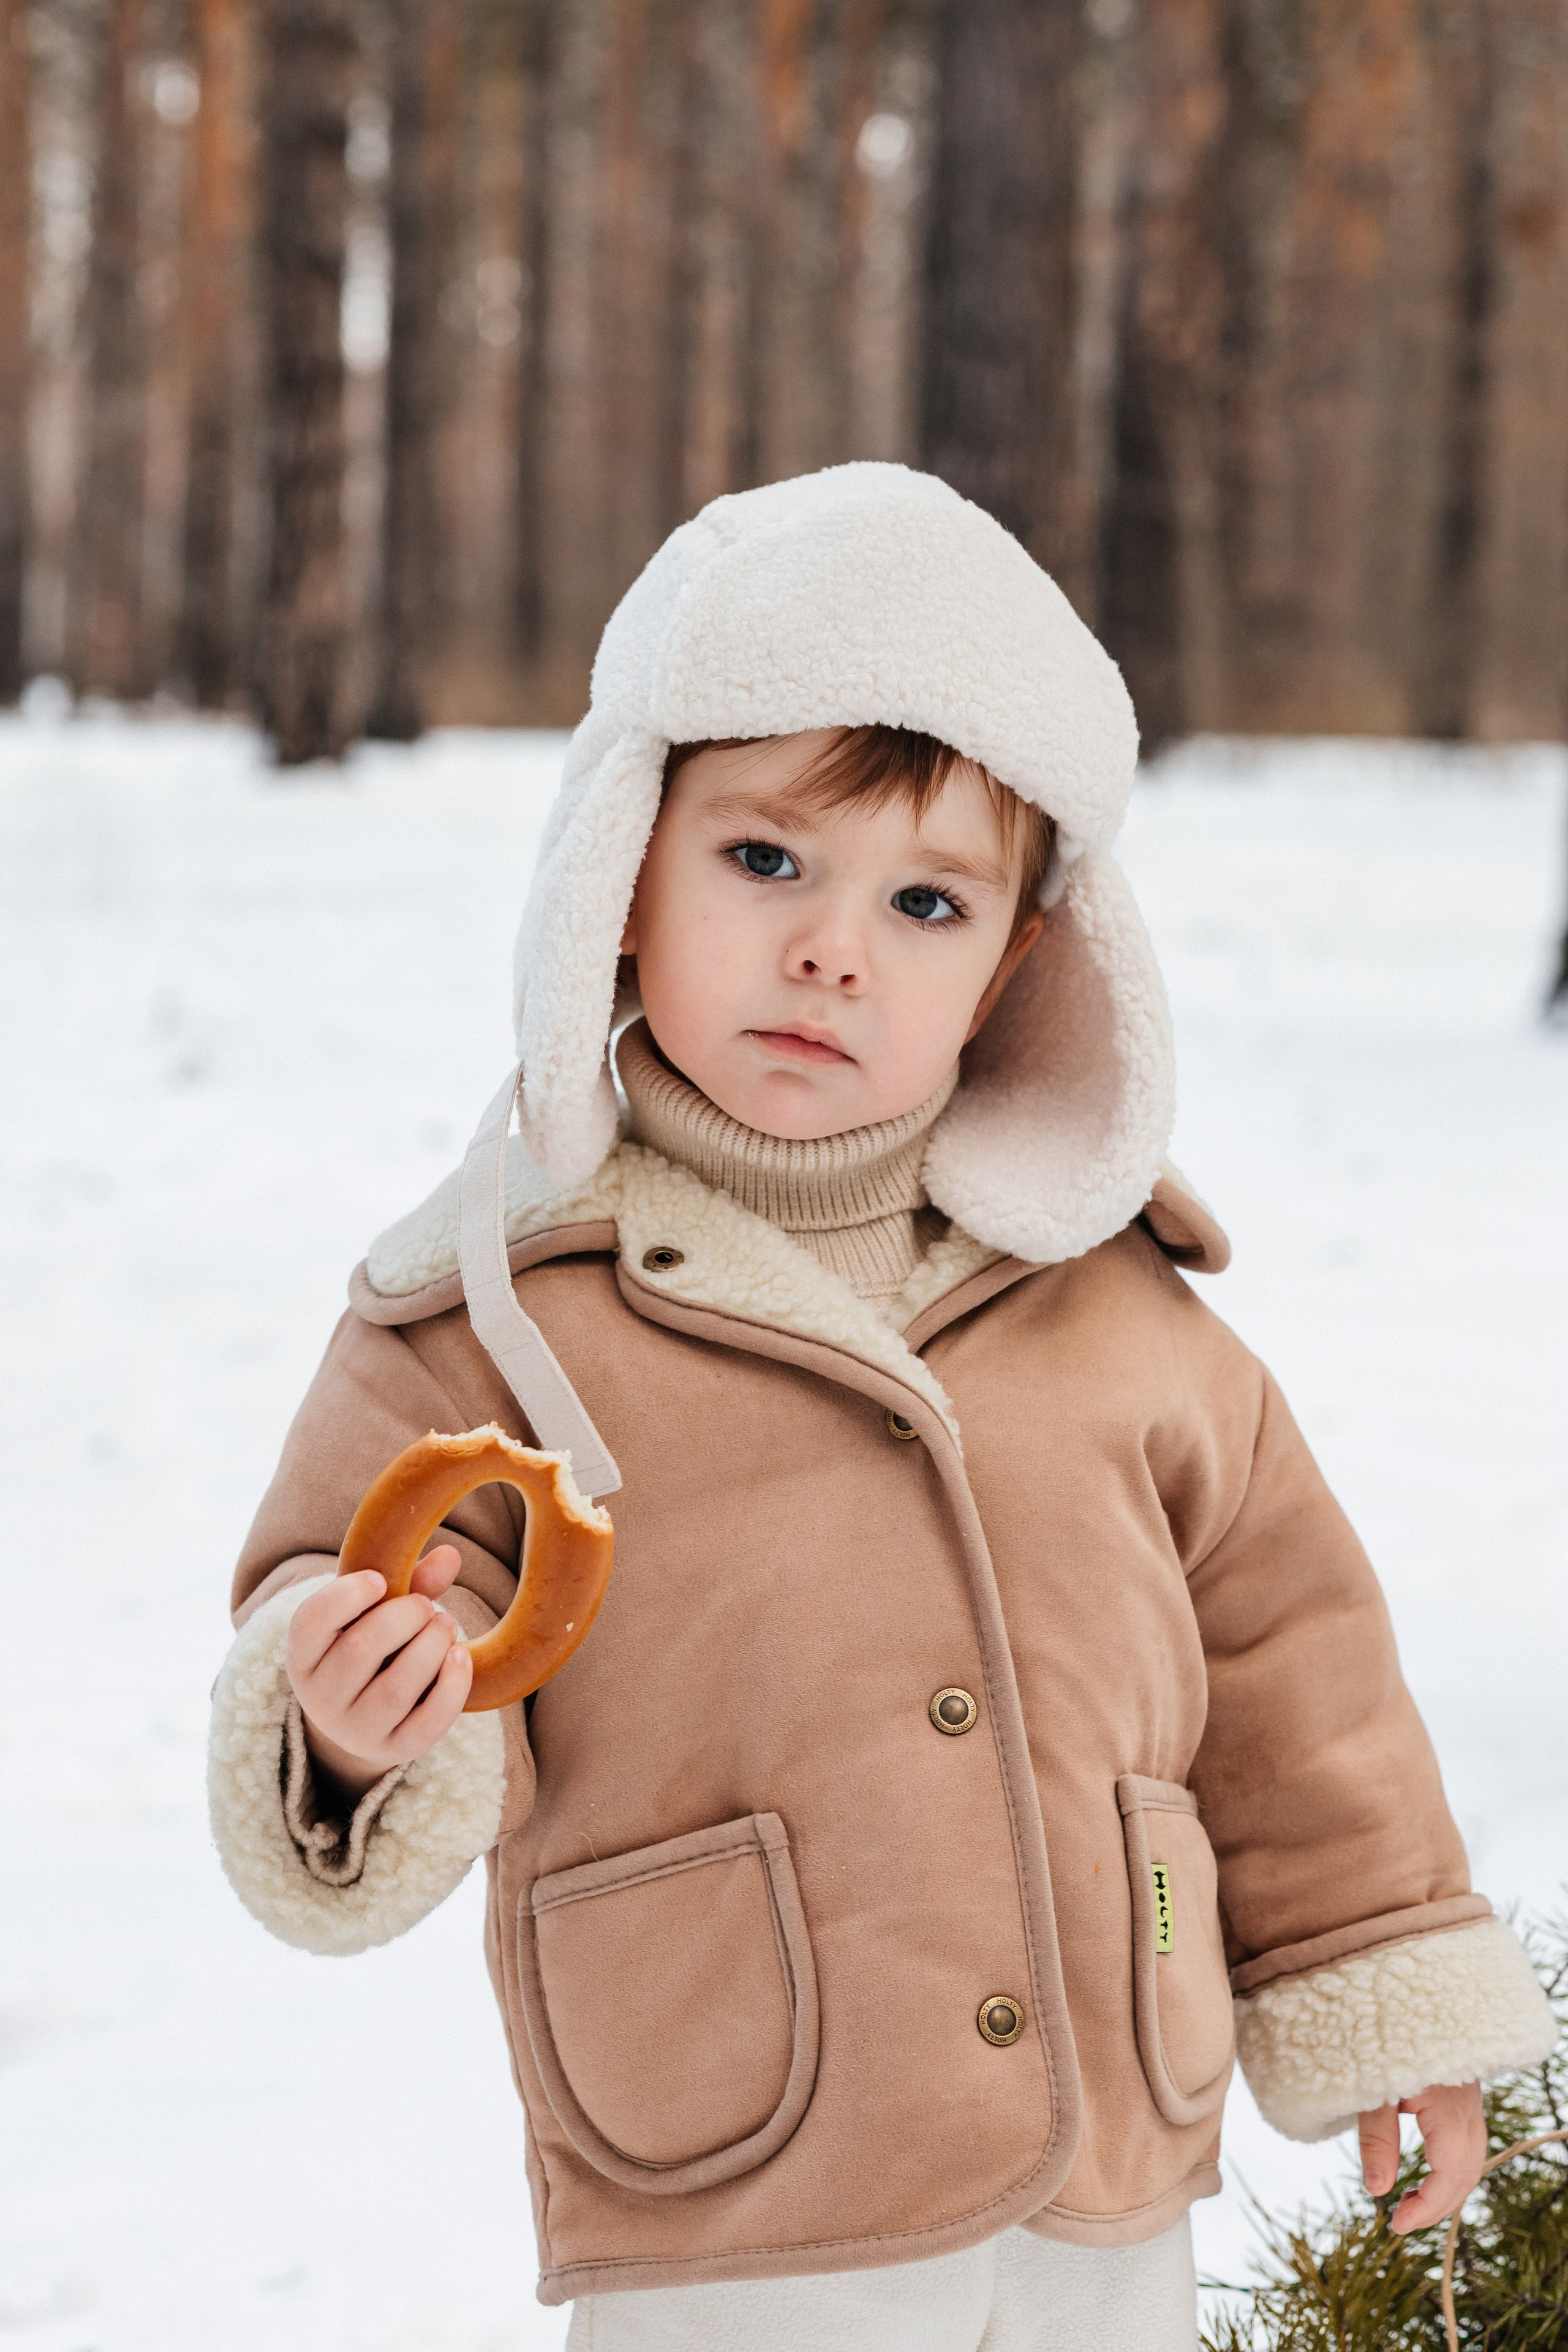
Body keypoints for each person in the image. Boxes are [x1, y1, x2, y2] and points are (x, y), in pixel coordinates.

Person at [207, 465, 1553, 2351]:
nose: (837, 948)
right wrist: (353, 1726)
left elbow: (1292, 1669)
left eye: (926, 901)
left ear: (1016, 966)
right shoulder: (492, 1311)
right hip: (740, 2173)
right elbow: (328, 1599)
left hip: (1108, 2166)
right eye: (765, 863)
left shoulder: (1125, 1311)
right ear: (619, 876)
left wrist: (1385, 1992)